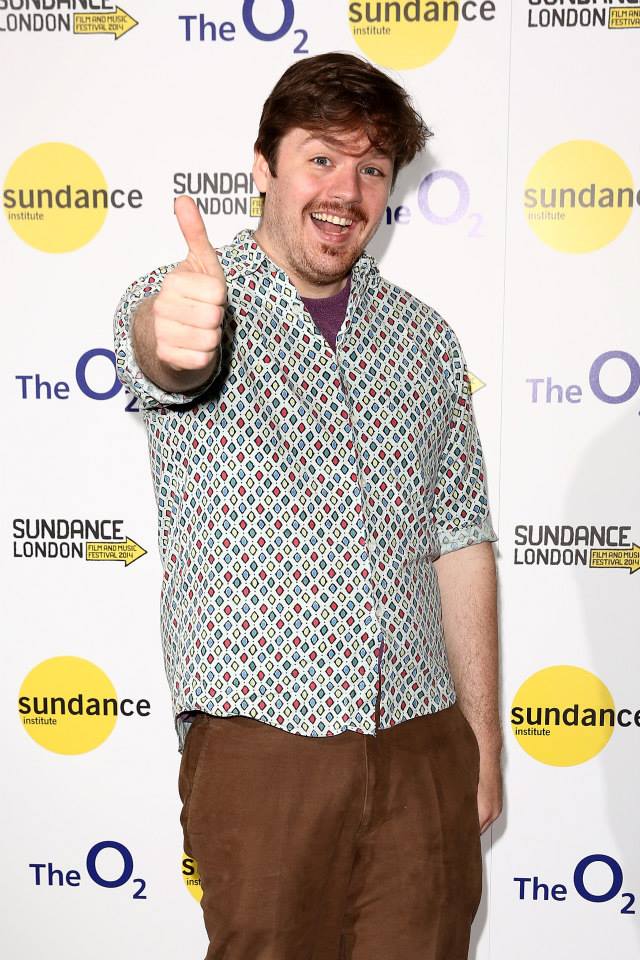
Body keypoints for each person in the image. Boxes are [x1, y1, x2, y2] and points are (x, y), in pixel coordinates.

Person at [113, 51, 502, 960]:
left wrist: (480, 740)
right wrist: (173, 339)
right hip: (263, 745)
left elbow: (461, 542)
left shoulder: (425, 338)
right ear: (263, 168)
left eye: (372, 168)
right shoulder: (187, 302)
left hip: (422, 739)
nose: (348, 188)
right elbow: (167, 357)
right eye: (322, 157)